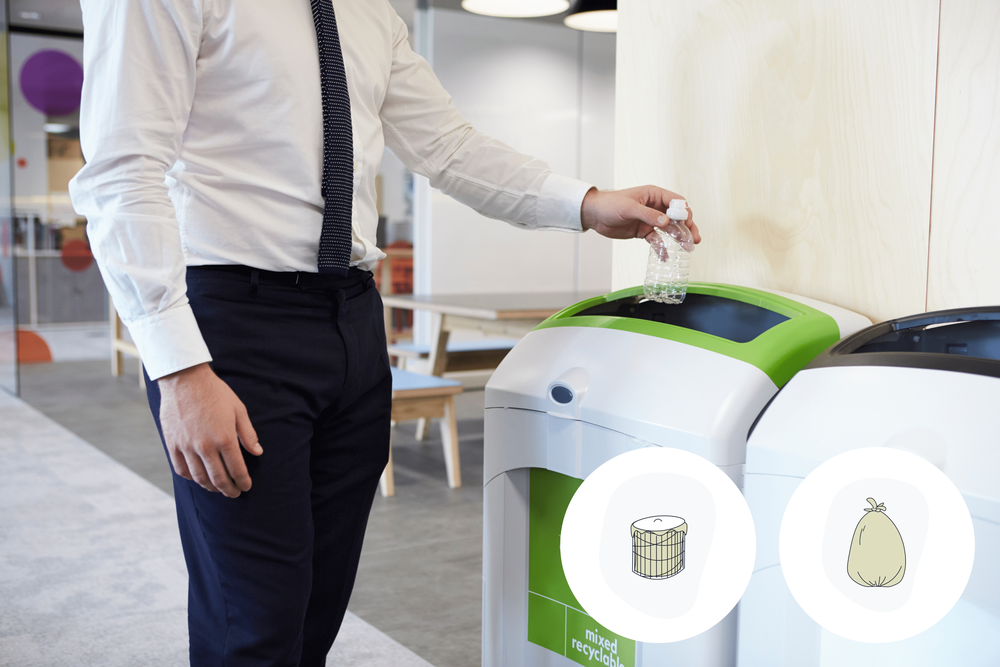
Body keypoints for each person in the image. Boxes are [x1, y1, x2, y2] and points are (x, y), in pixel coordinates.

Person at [70, 1, 700, 665]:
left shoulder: (366, 9)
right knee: (255, 620)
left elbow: (448, 147)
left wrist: (585, 202)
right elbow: (123, 168)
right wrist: (178, 369)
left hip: (353, 321)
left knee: (316, 603)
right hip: (235, 326)